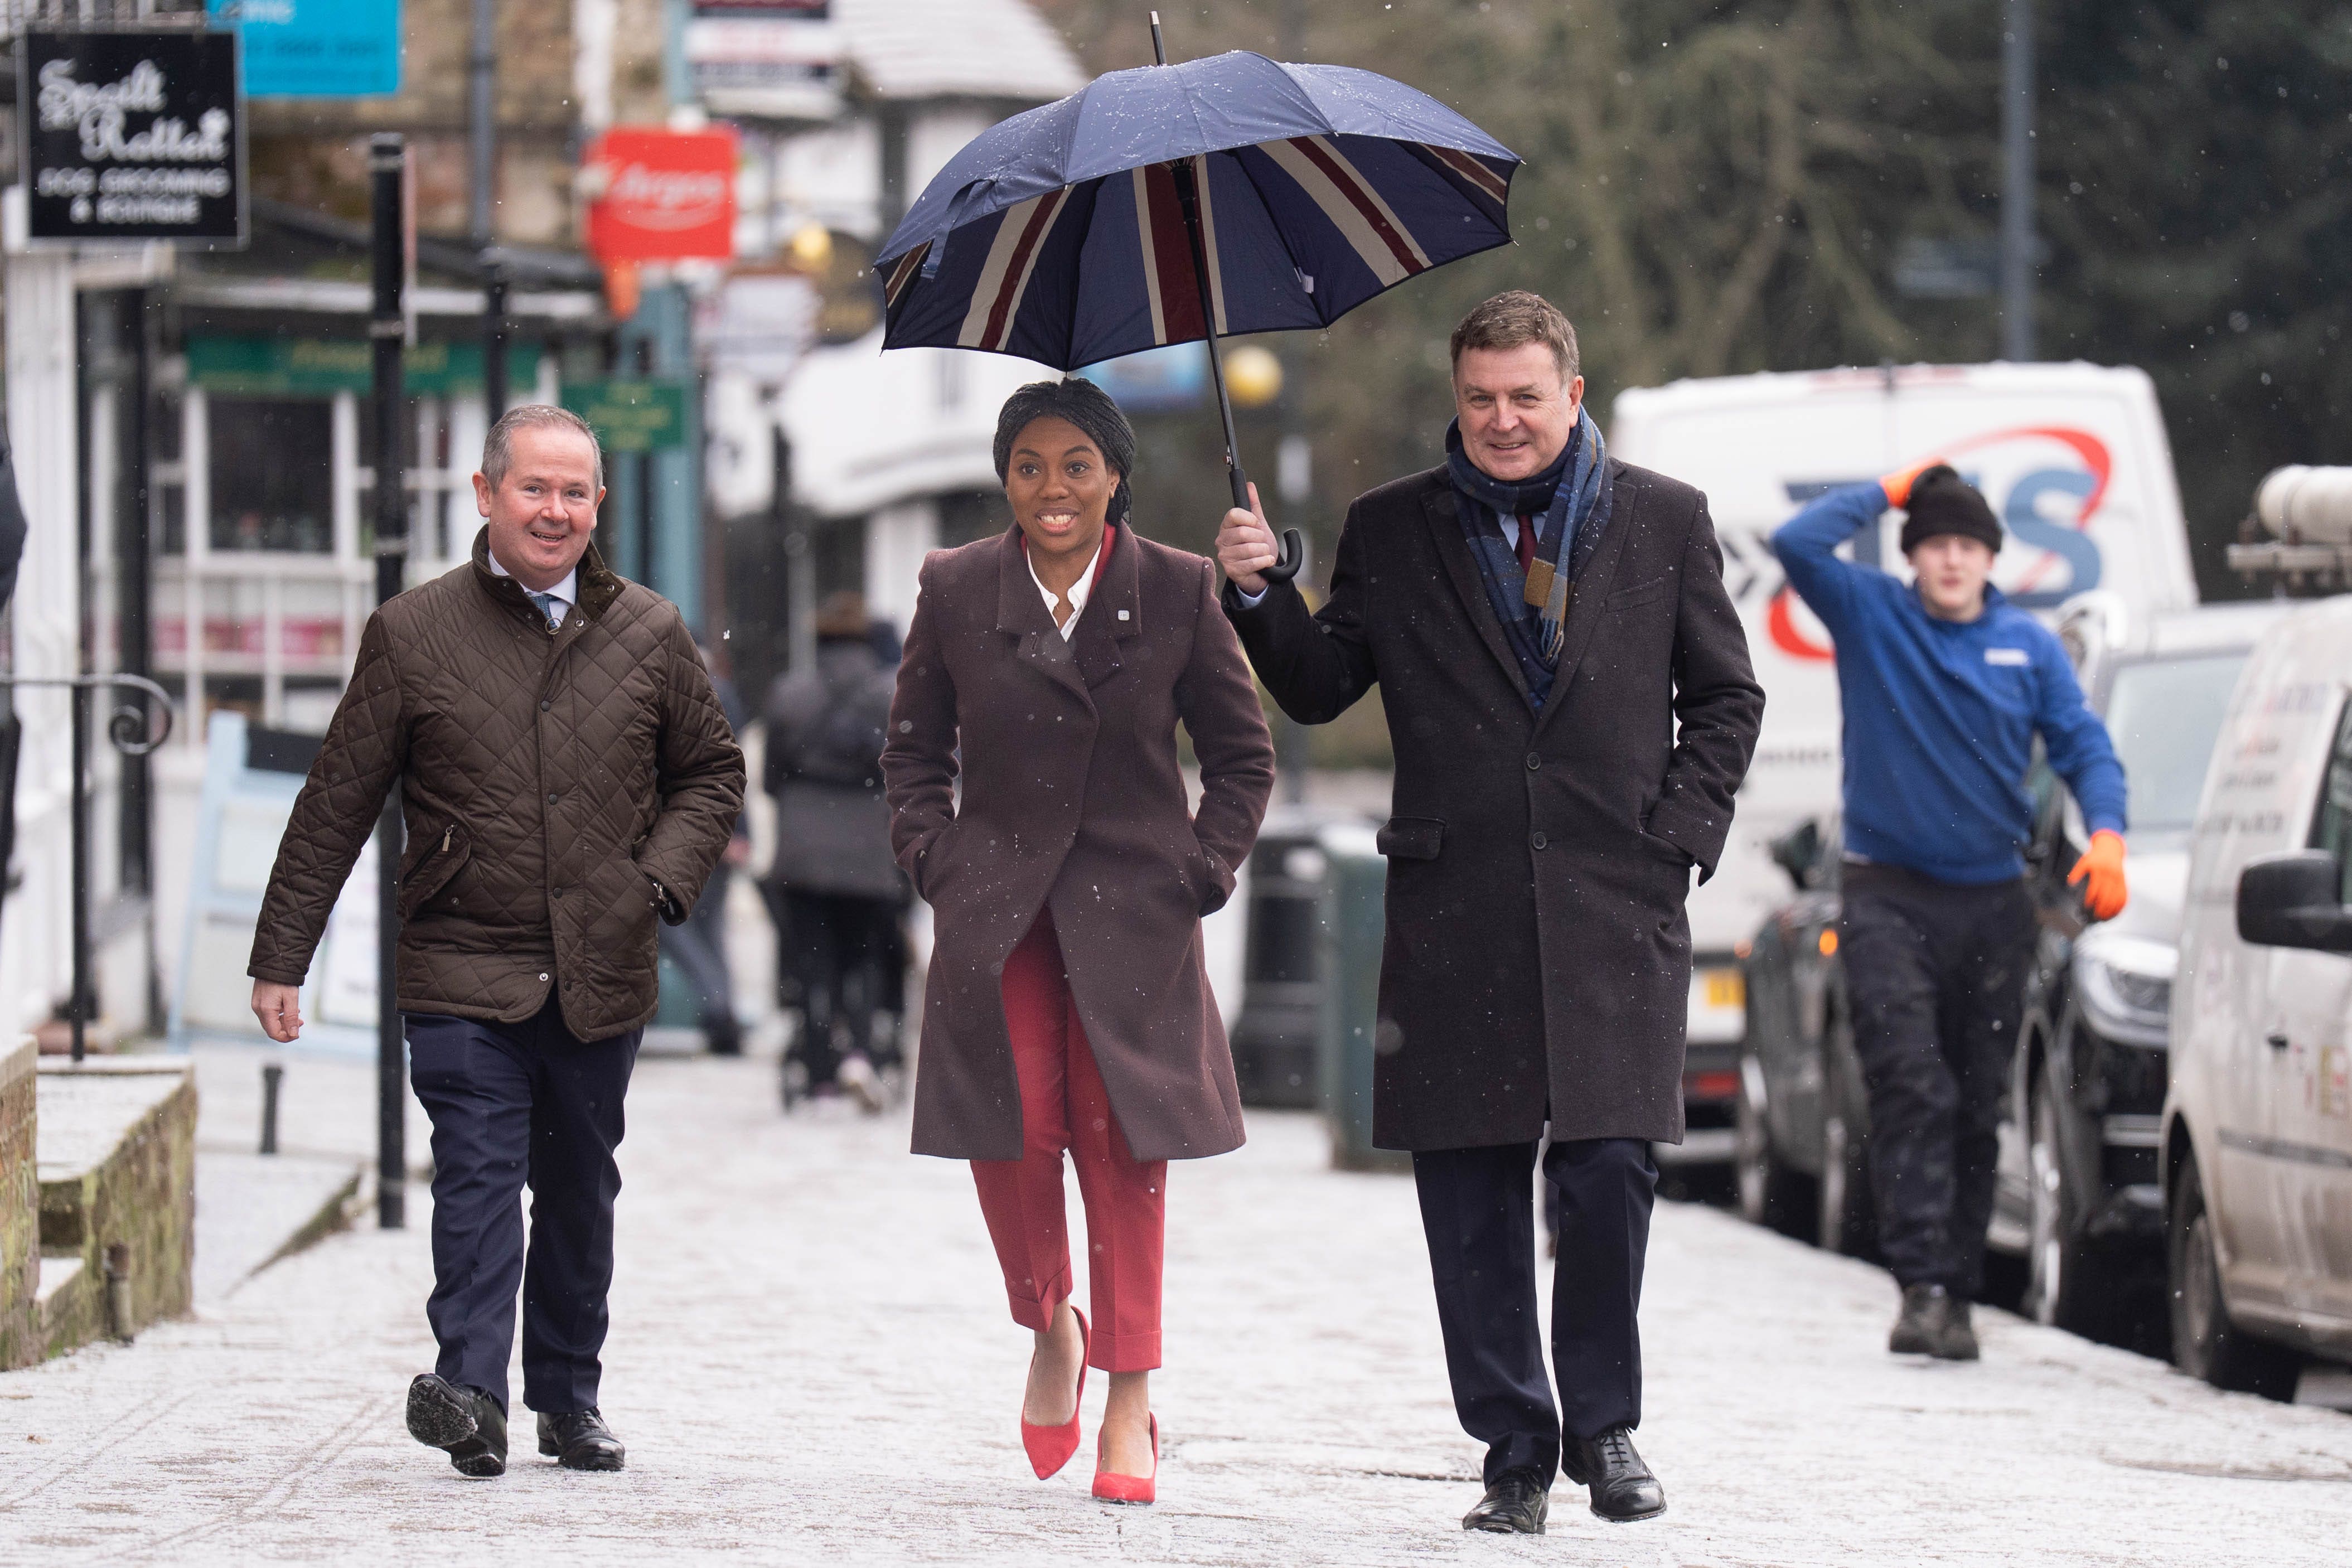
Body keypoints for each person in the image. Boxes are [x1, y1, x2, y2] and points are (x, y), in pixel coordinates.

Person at [1217, 291, 1763, 1534]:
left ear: (1574, 393)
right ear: (1454, 400)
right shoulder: (1393, 527)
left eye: (1526, 396)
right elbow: (1317, 686)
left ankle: (1607, 1426)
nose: (1503, 421)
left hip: (1613, 901)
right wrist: (1258, 596)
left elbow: (1727, 700)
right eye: (1480, 399)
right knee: (1469, 1186)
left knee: (1611, 1164)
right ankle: (1514, 1446)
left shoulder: (1666, 521)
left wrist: (1676, 840)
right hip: (1454, 899)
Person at [245, 405, 745, 1478]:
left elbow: (712, 773)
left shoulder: (650, 632)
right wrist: (282, 951)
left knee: (577, 1187)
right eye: (533, 488)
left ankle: (567, 1397)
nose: (554, 510)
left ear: (597, 505)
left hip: (599, 964)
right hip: (461, 959)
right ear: (485, 495)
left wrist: (655, 882)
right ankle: (470, 1390)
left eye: (574, 492)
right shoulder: (413, 632)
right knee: (475, 1172)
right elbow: (338, 800)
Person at [884, 377, 1274, 1504]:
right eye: (1027, 466)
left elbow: (1243, 757)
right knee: (1010, 1131)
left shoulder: (1179, 587)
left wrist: (1200, 869)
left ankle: (1132, 1390)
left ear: (1116, 475)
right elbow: (914, 755)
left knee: (1123, 1147)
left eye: (1075, 466)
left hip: (1134, 913)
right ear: (1004, 479)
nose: (1051, 490)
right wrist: (938, 861)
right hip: (996, 911)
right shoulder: (957, 586)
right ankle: (1051, 1317)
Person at [1774, 461, 2128, 1362]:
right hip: (1885, 891)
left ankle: (1959, 1286)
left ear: (1989, 559)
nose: (1950, 560)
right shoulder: (1871, 616)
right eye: (1934, 545)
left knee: (1975, 1101)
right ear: (1912, 557)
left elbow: (2083, 744)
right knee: (1909, 1085)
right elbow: (1794, 543)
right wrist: (1888, 488)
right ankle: (1920, 1284)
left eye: (1967, 546)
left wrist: (2109, 835)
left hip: (1990, 901)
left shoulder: (2028, 647)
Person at [763, 590, 906, 1109]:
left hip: (803, 847)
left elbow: (770, 777)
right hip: (871, 845)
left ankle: (819, 1059)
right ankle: (863, 1053)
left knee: (811, 957)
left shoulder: (789, 693)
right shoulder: (893, 694)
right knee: (867, 955)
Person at [660, 635, 751, 1057]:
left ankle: (719, 1008)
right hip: (714, 827)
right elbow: (734, 769)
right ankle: (723, 1009)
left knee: (674, 927)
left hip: (677, 829)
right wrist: (739, 830)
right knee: (708, 928)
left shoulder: (660, 687)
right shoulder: (723, 694)